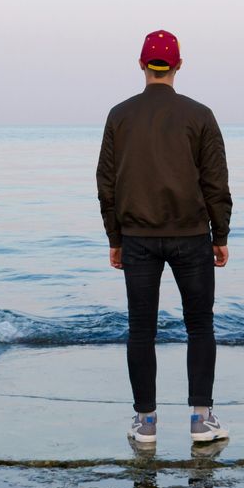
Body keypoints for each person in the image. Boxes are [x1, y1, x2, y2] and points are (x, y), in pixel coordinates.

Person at [96, 30, 233, 445]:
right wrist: (220, 232)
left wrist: (114, 237)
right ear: (178, 65)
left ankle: (146, 424)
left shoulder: (119, 115)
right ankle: (201, 419)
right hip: (191, 235)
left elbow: (106, 183)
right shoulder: (200, 114)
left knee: (141, 329)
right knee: (200, 324)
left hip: (137, 237)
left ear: (142, 65)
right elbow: (215, 181)